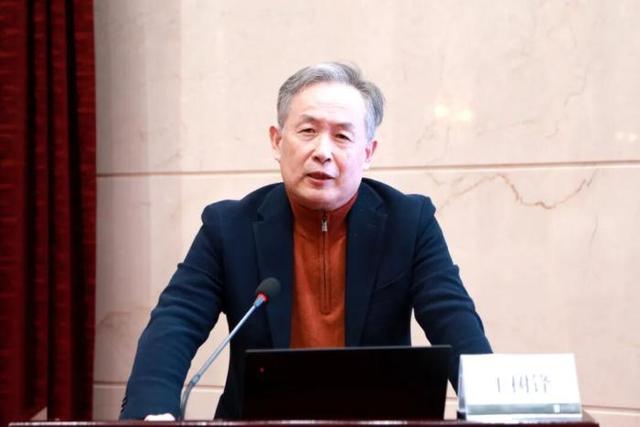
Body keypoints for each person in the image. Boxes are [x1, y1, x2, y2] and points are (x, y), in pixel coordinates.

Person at [120, 62, 492, 420]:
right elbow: (176, 323)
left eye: (342, 136)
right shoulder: (228, 227)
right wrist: (151, 411)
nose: (323, 152)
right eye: (308, 131)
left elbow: (453, 319)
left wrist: (492, 408)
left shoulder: (409, 222)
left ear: (367, 153)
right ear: (277, 141)